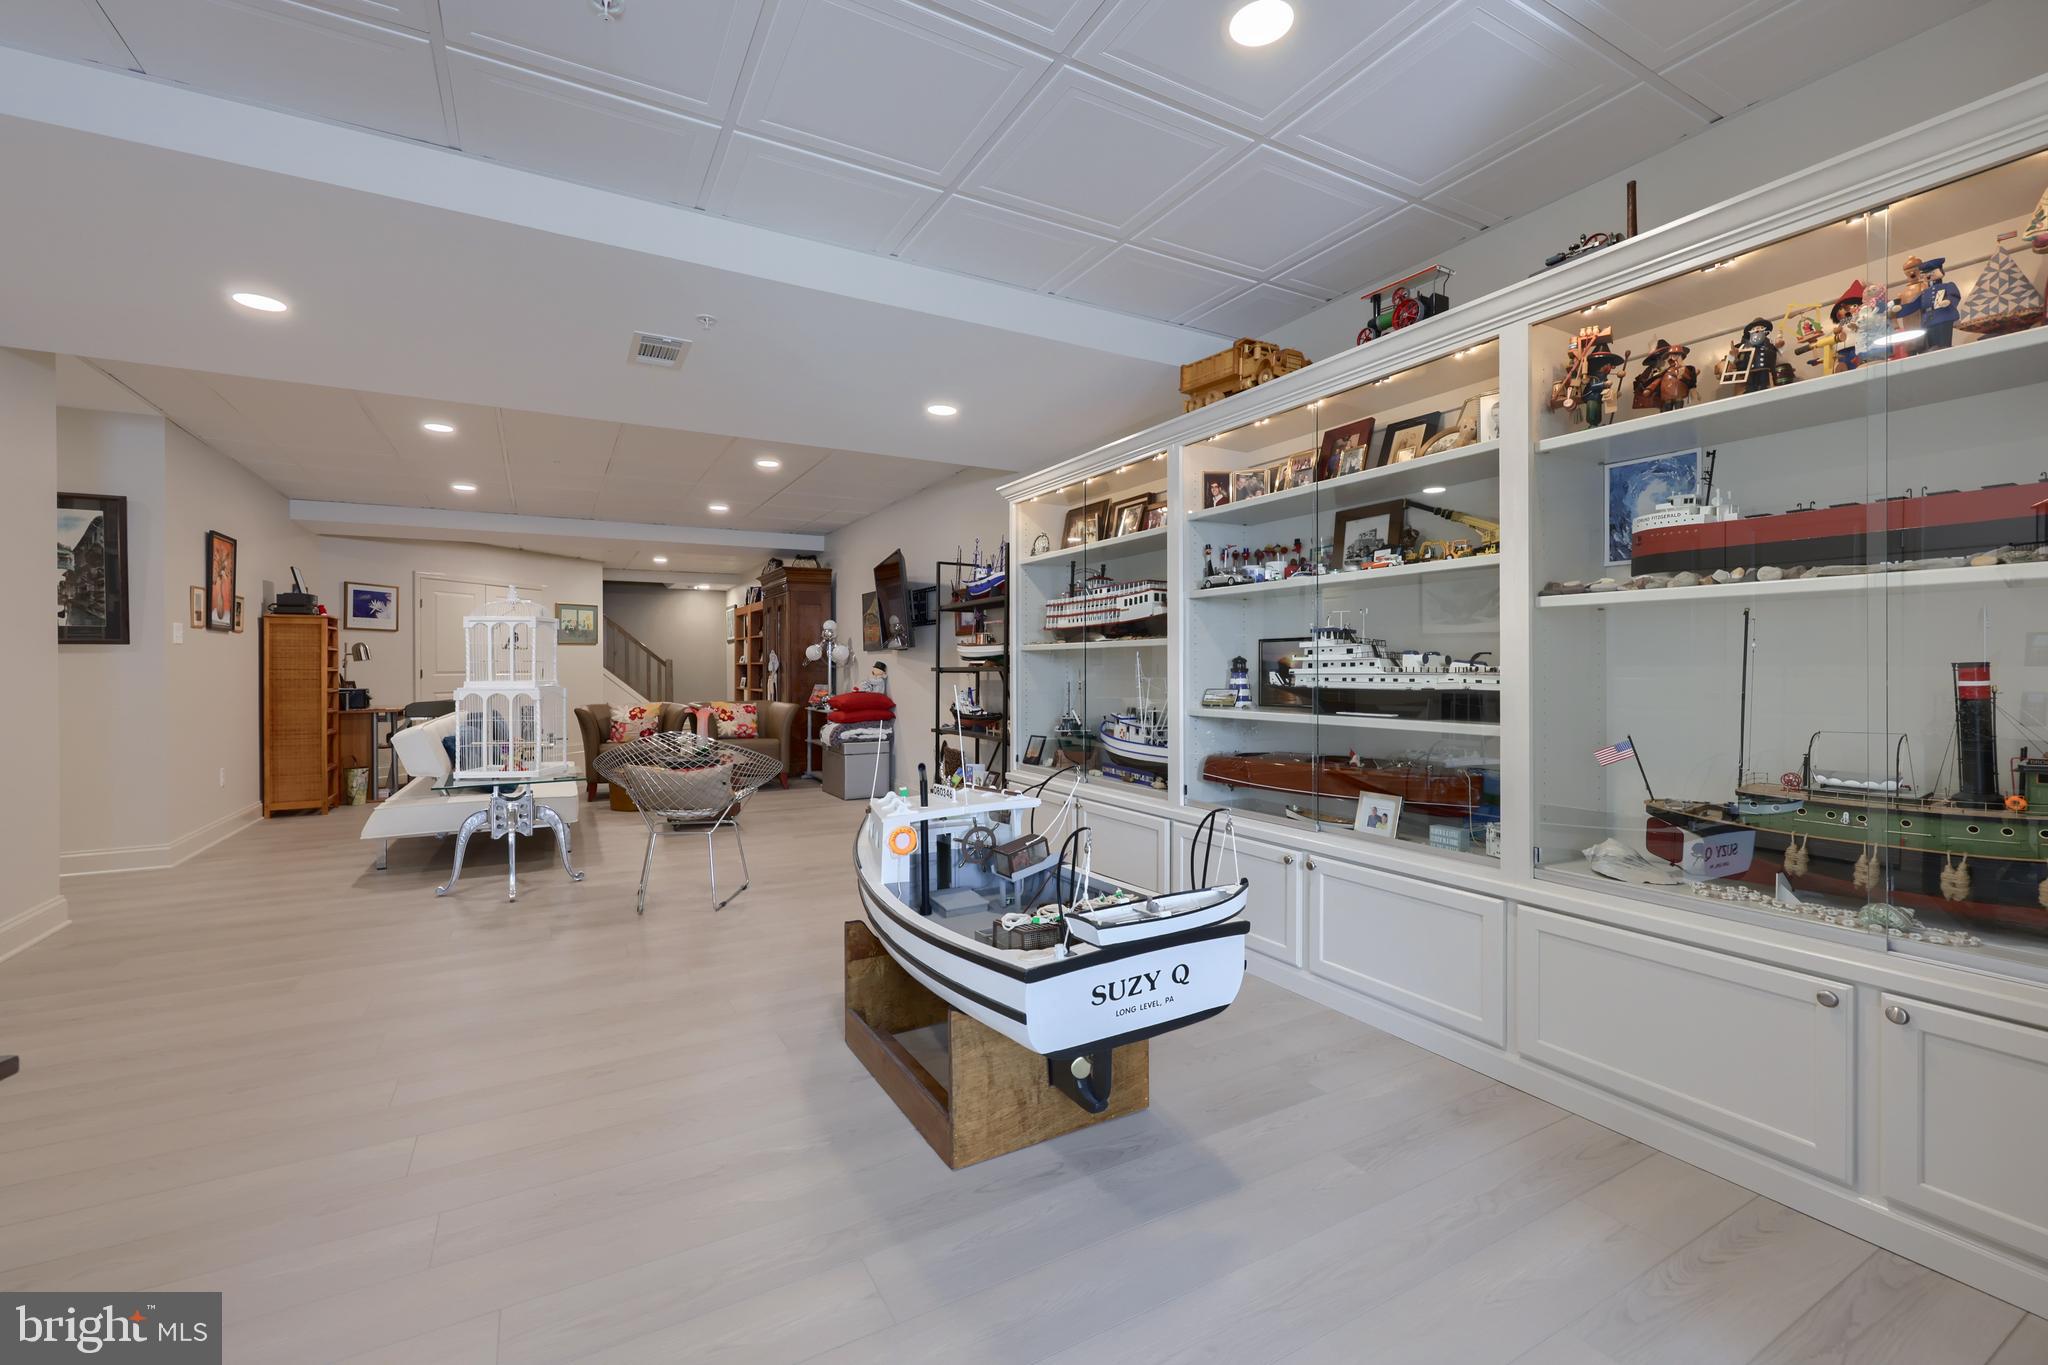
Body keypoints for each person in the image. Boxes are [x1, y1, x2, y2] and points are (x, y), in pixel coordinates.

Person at [1890, 255, 1961, 350]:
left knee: (1943, 344)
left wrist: (1948, 301)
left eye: (1932, 272)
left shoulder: (1947, 286)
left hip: (1942, 318)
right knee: (1931, 346)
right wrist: (1900, 310)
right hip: (1927, 322)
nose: (1928, 275)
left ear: (1940, 271)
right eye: (1925, 274)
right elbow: (1914, 305)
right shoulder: (1924, 292)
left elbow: (1954, 295)